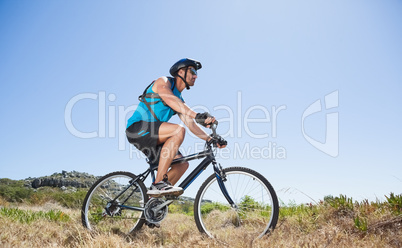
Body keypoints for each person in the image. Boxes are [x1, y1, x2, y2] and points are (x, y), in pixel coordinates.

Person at [126, 58, 227, 197]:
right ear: (181, 71)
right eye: (192, 71)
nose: (196, 76)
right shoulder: (163, 82)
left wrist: (210, 139)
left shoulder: (179, 99)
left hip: (155, 136)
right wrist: (197, 115)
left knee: (182, 165)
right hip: (137, 128)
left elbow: (190, 123)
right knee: (178, 130)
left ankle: (153, 203)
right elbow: (170, 99)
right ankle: (158, 184)